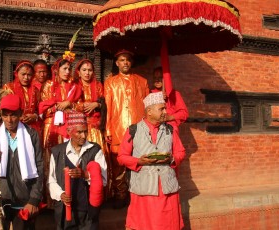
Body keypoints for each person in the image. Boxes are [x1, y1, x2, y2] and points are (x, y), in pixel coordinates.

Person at [118, 92, 186, 230]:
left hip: (167, 189)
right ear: (149, 111)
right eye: (161, 109)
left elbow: (181, 152)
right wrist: (139, 161)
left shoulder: (170, 129)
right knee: (144, 225)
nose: (165, 112)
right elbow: (121, 157)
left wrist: (171, 158)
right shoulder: (133, 130)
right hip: (143, 190)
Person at [0, 94, 44, 230]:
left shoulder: (31, 135)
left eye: (13, 115)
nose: (9, 120)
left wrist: (34, 199)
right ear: (0, 115)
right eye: (5, 115)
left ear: (20, 114)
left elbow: (40, 168)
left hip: (24, 199)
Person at [104, 49, 149, 208]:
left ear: (132, 62)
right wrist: (108, 129)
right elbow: (108, 107)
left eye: (128, 60)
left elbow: (147, 107)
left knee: (140, 160)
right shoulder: (110, 82)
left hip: (139, 128)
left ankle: (140, 194)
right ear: (117, 63)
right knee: (119, 163)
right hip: (118, 126)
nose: (125, 63)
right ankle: (120, 194)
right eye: (122, 60)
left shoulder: (142, 81)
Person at [48, 111, 107, 229]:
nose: (84, 136)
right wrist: (61, 194)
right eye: (79, 132)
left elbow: (104, 180)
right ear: (69, 131)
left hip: (88, 212)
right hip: (66, 212)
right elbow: (51, 180)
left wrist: (85, 174)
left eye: (85, 131)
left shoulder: (95, 150)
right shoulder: (57, 152)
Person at [39, 56, 82, 208]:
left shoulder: (75, 86)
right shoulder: (48, 85)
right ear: (57, 70)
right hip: (52, 128)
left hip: (70, 127)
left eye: (69, 69)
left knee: (69, 159)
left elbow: (79, 107)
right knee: (51, 160)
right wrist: (58, 106)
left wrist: (70, 104)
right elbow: (43, 110)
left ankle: (70, 195)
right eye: (64, 68)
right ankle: (52, 200)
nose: (67, 71)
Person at [3, 60, 42, 135]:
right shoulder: (8, 88)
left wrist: (34, 116)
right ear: (16, 74)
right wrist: (17, 117)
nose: (26, 78)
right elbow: (4, 110)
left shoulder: (36, 90)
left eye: (29, 75)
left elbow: (38, 109)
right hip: (14, 127)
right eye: (23, 74)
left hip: (32, 128)